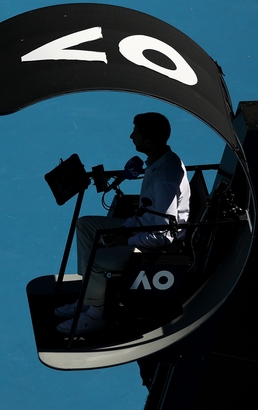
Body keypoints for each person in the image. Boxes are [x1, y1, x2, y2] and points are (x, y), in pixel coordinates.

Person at [55, 112, 190, 334]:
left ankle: (95, 315)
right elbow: (147, 213)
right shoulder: (158, 161)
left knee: (95, 260)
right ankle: (90, 297)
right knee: (86, 225)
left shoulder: (165, 178)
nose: (130, 136)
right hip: (143, 227)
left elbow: (164, 235)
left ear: (149, 141)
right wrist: (123, 229)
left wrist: (125, 238)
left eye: (135, 133)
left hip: (159, 246)